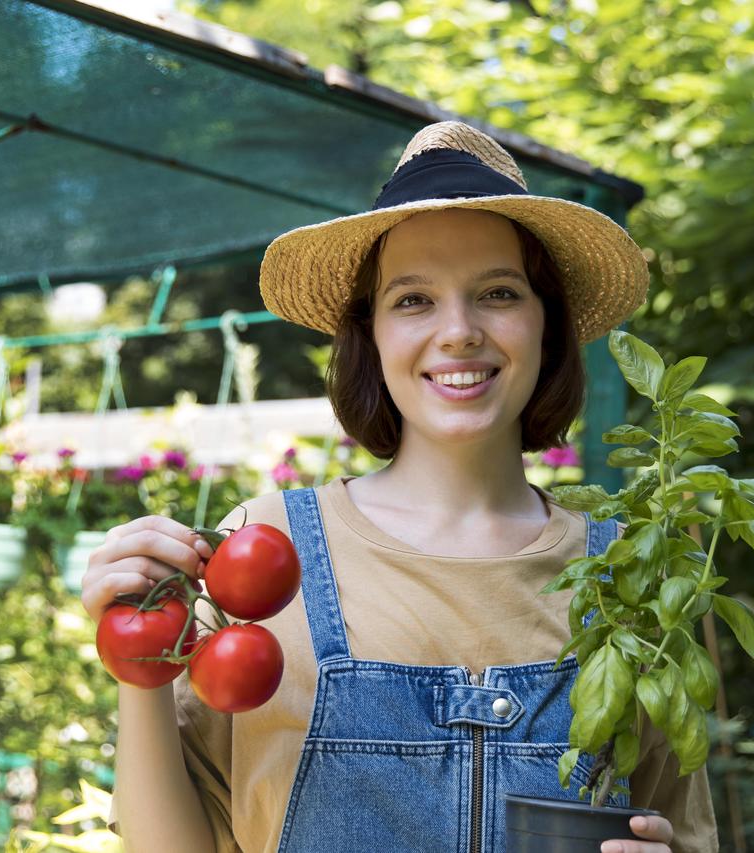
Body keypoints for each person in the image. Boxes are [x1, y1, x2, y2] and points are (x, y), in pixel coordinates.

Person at [83, 121, 719, 852]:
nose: (458, 332)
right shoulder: (261, 551)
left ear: (548, 326)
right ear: (371, 333)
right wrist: (138, 671)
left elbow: (682, 829)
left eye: (499, 293)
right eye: (414, 299)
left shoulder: (630, 578)